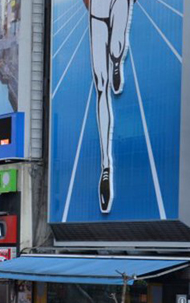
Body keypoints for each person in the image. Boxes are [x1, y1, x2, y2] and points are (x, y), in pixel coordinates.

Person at [85, 0, 134, 213]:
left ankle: (116, 61)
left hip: (119, 3)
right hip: (97, 12)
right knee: (101, 85)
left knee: (116, 48)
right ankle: (105, 166)